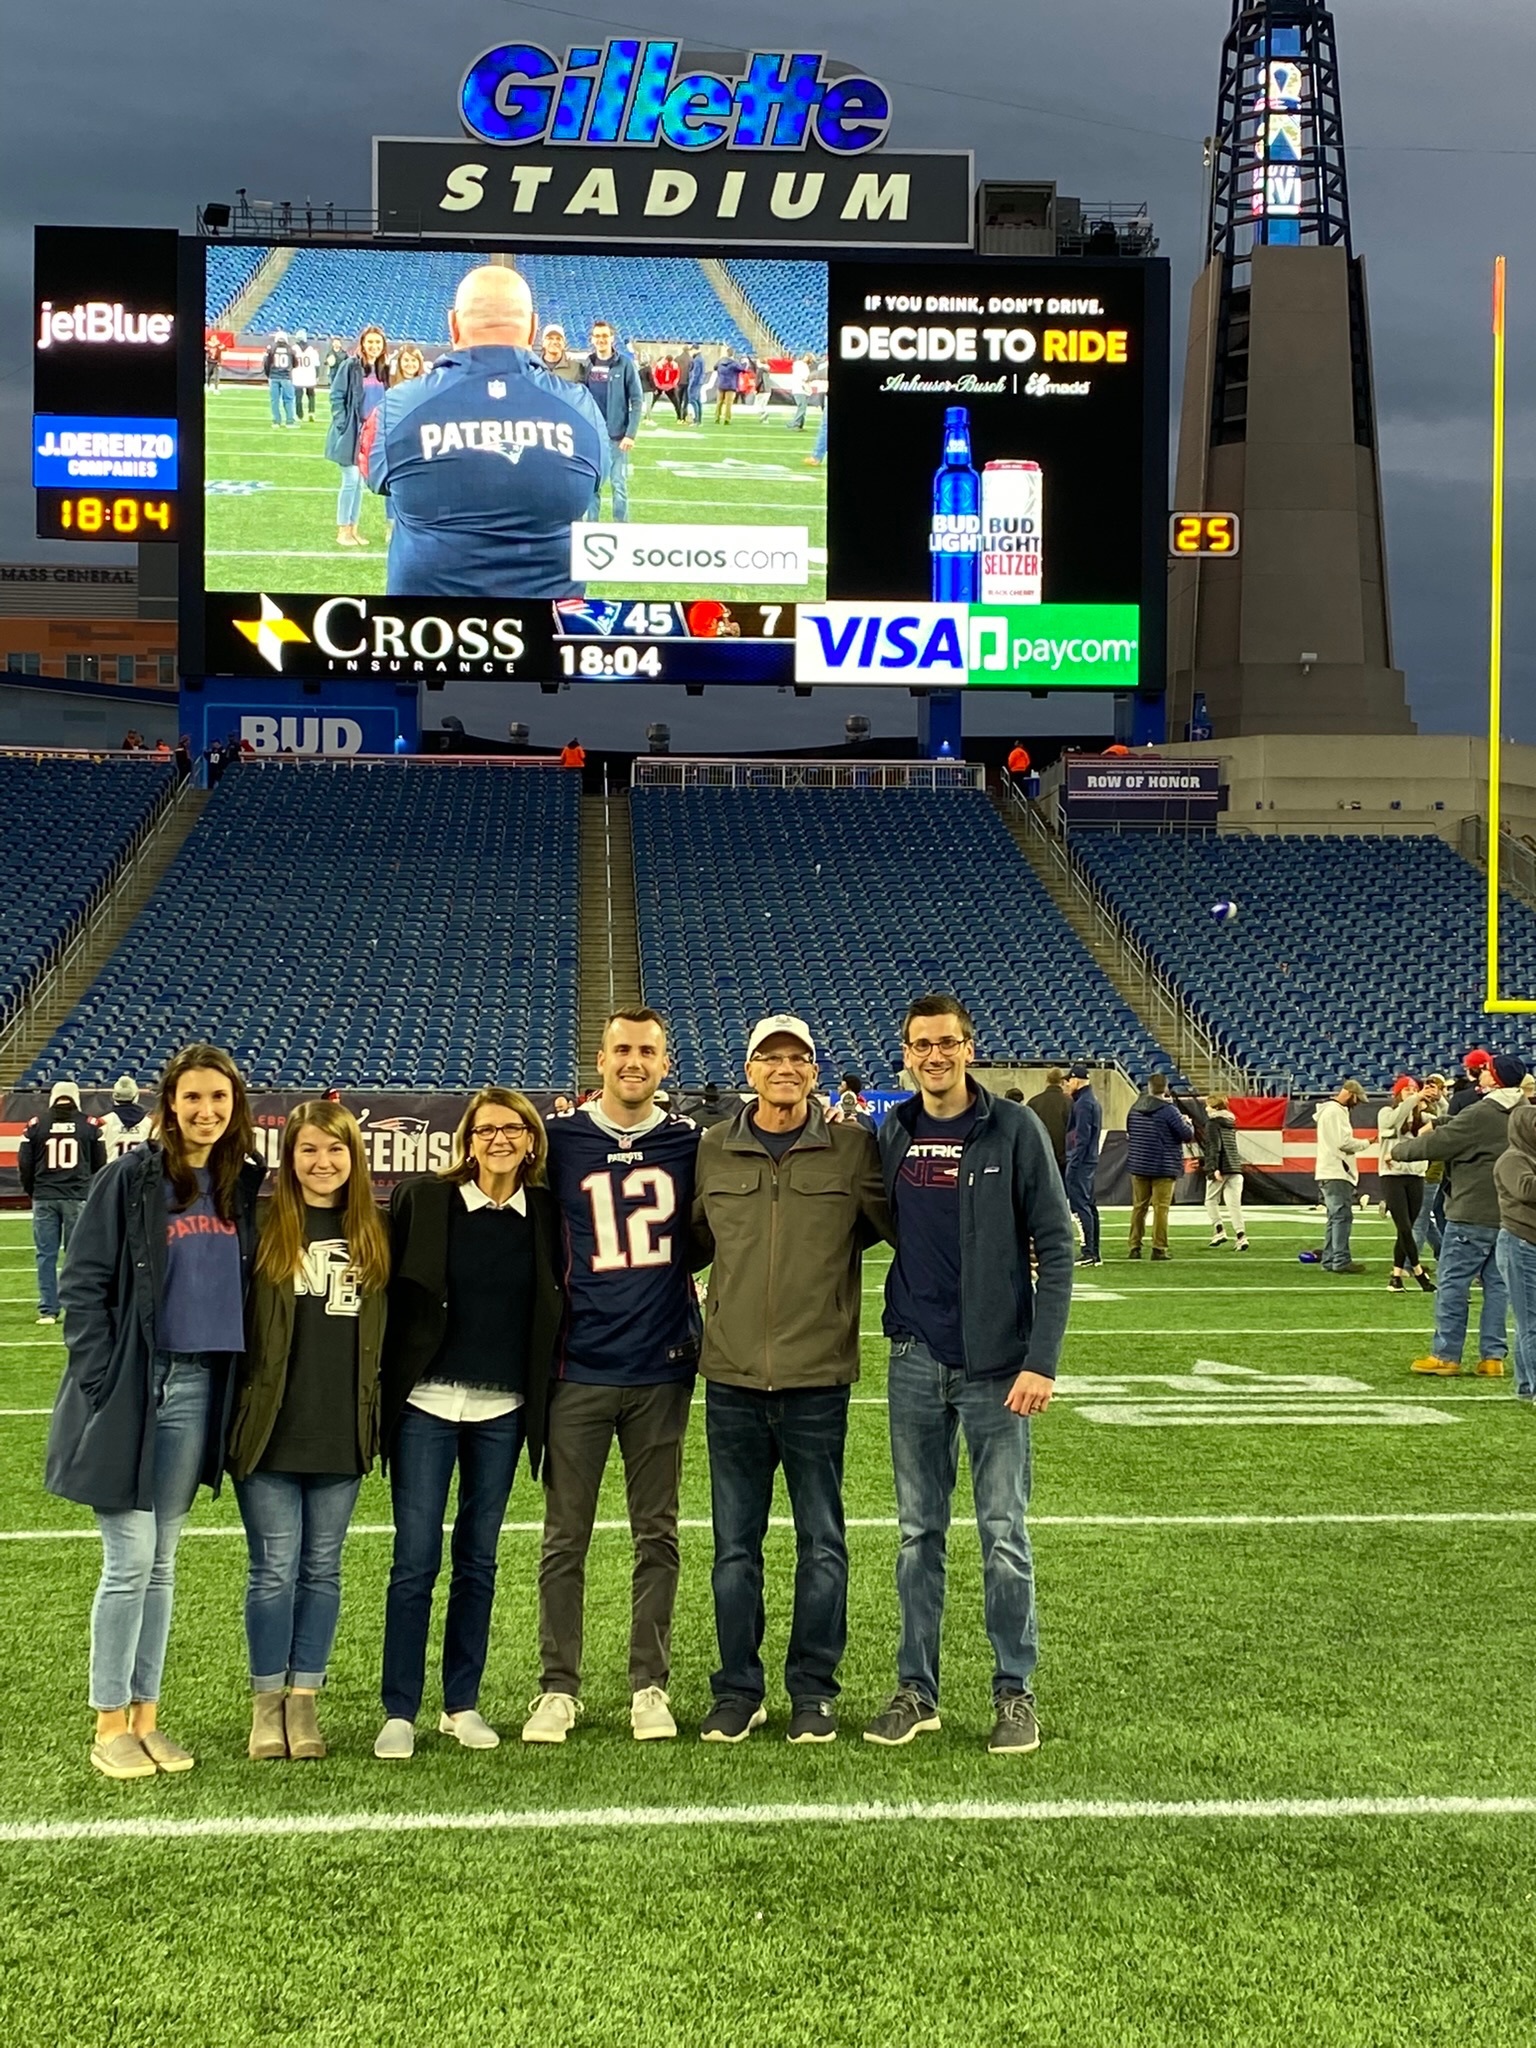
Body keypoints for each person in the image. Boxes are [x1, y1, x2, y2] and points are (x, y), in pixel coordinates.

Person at [44, 1044, 263, 1779]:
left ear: (235, 1107)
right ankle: (109, 1723)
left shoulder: (240, 1184)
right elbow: (82, 1285)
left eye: (219, 1098)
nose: (206, 1111)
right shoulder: (128, 1178)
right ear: (169, 1104)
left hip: (200, 1387)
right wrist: (103, 1382)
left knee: (163, 1563)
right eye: (192, 1097)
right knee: (130, 1560)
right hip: (137, 1387)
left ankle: (146, 1719)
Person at [865, 994, 1073, 1756]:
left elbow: (1056, 1245)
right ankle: (916, 1690)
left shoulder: (1013, 1128)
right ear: (906, 1054)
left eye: (946, 1042)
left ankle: (1014, 1691)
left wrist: (1040, 1360)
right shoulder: (894, 1131)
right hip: (914, 1358)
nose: (935, 1055)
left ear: (969, 1047)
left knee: (1003, 1535)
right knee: (917, 1534)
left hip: (997, 1368)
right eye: (921, 1044)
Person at [690, 1014, 891, 1743]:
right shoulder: (712, 1147)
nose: (783, 1068)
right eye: (769, 1057)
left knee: (823, 1544)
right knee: (733, 1549)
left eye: (796, 1057)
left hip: (817, 1378)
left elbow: (899, 1228)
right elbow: (690, 1242)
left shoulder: (852, 1149)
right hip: (732, 1377)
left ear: (814, 1070)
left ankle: (813, 1688)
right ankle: (738, 1689)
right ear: (749, 1071)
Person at [524, 1011, 702, 1746]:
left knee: (656, 1534)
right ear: (599, 1059)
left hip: (661, 1366)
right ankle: (557, 1687)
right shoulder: (558, 1141)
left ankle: (648, 1684)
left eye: (647, 1052)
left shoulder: (691, 1142)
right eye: (622, 1050)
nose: (634, 1062)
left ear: (666, 1063)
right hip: (579, 1366)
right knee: (564, 1539)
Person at [374, 1088, 562, 1759]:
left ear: (531, 1139)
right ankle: (399, 1709)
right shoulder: (425, 1200)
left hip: (502, 1411)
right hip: (425, 1403)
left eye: (513, 1129)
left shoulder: (545, 1212)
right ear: (468, 1140)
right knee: (414, 1560)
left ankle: (461, 1703)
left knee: (477, 1562)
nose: (499, 1140)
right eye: (486, 1130)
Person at [228, 1102, 390, 1762]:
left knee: (322, 1570)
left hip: (341, 1426)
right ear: (289, 1158)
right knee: (273, 1571)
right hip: (271, 1426)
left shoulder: (377, 1230)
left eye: (336, 1150)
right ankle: (267, 1704)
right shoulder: (263, 1223)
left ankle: (304, 1701)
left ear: (355, 1157)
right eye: (309, 1150)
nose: (323, 1162)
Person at [361, 268, 607, 599]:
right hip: (551, 623)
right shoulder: (582, 409)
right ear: (533, 328)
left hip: (429, 624)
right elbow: (596, 479)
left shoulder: (397, 407)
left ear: (453, 324)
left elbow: (374, 476)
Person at [1391, 1054, 1524, 1377]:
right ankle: (1493, 1357)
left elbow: (1440, 1144)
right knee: (1498, 1287)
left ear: (1495, 1079)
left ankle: (1446, 1354)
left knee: (1454, 1283)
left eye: (1488, 1071)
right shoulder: (1524, 1112)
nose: (1483, 1074)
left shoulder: (1481, 1112)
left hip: (1471, 1213)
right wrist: (1442, 1121)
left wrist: (1398, 1150)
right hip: (1511, 1215)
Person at [20, 1080, 105, 1325]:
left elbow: (25, 1164)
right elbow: (100, 1164)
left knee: (46, 1255)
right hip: (76, 1196)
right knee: (77, 1256)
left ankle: (48, 1310)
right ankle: (78, 1308)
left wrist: (33, 1191)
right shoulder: (90, 1125)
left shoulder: (36, 1125)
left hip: (44, 1196)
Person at [325, 323, 389, 549]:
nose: (374, 346)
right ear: (362, 343)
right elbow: (336, 395)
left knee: (359, 483)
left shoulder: (382, 369)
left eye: (378, 342)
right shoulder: (350, 366)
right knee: (351, 479)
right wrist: (343, 424)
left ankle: (353, 529)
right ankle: (343, 529)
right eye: (370, 342)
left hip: (371, 435)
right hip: (351, 432)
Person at [578, 318, 643, 523]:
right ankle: (591, 526)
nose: (601, 340)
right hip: (592, 435)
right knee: (592, 486)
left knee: (618, 484)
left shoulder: (625, 364)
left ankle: (620, 526)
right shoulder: (587, 364)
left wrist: (630, 434)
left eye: (605, 336)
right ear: (592, 339)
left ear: (612, 338)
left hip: (617, 436)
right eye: (597, 336)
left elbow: (637, 400)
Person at [1493, 1099, 1536, 1403]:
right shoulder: (1512, 1159)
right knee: (1531, 1322)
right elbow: (1526, 1189)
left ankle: (1525, 1386)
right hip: (1520, 1245)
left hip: (1528, 1244)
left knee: (1529, 1321)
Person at [1125, 1074, 1194, 1260]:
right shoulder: (1169, 1110)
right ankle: (1158, 1247)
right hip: (1164, 1165)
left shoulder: (1134, 1109)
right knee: (1161, 1208)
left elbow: (1130, 1131)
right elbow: (1186, 1135)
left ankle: (1134, 1246)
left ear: (1148, 1087)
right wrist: (1188, 1123)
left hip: (1139, 1164)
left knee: (1139, 1207)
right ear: (1165, 1088)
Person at [1377, 1077, 1435, 1293]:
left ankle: (1395, 1277)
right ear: (1398, 1093)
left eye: (1414, 1089)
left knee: (1407, 1228)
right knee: (1403, 1226)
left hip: (1416, 1175)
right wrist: (1414, 1099)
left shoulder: (1423, 1116)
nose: (1411, 1092)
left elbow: (1442, 1120)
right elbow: (1393, 1121)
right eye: (1407, 1089)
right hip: (1392, 1175)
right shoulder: (1386, 1112)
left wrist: (1437, 1098)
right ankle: (1419, 1273)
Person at [1310, 1079, 1368, 1274]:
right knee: (1342, 1217)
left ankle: (1330, 1259)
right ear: (1350, 1094)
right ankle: (1341, 1260)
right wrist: (1366, 1143)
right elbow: (1344, 1143)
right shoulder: (1336, 1112)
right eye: (1357, 1099)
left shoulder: (1328, 1111)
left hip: (1328, 1170)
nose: (1357, 1104)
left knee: (1335, 1217)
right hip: (1337, 1171)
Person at [1064, 1064, 1102, 1266]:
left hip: (1081, 1160)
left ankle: (1088, 1252)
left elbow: (1081, 1137)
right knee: (1089, 1204)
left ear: (1076, 1080)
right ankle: (1094, 1252)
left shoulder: (1083, 1104)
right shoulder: (1089, 1101)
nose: (1067, 1084)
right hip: (1088, 1159)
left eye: (1069, 1080)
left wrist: (1074, 1163)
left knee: (1080, 1205)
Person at [1199, 1095, 1248, 1252]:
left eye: (1208, 1105)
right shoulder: (1230, 1122)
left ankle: (1219, 1229)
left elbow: (1214, 1147)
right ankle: (1241, 1236)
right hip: (1235, 1167)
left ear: (1215, 1107)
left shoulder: (1212, 1123)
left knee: (1210, 1201)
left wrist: (1213, 1168)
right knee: (1234, 1205)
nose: (1206, 1108)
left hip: (1221, 1167)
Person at [1025, 1068, 1070, 1178]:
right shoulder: (1070, 1102)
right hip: (1064, 1157)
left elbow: (1028, 1131)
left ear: (1047, 1080)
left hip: (1040, 1156)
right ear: (1062, 1082)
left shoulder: (1034, 1102)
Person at [100, 1076, 152, 1162]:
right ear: (136, 1096)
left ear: (114, 1096)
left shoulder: (104, 1121)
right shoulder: (148, 1123)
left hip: (113, 1168)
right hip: (140, 1168)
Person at [263, 330, 298, 429]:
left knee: (274, 400)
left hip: (274, 376)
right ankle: (290, 421)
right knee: (289, 400)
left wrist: (269, 374)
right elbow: (295, 363)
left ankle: (276, 421)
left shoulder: (271, 348)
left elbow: (266, 363)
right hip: (286, 377)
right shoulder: (290, 349)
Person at [291, 331, 319, 422]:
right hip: (309, 375)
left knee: (298, 396)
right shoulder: (312, 350)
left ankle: (299, 415)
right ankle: (311, 412)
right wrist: (317, 376)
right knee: (311, 395)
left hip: (298, 375)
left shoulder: (293, 349)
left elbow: (291, 364)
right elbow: (316, 365)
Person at [713, 349, 741, 425]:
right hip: (731, 385)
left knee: (719, 402)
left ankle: (716, 418)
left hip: (721, 384)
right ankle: (727, 419)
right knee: (728, 403)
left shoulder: (720, 361)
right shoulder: (734, 363)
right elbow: (742, 369)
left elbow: (714, 367)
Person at [786, 355, 813, 430]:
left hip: (801, 389)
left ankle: (799, 424)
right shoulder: (800, 365)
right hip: (799, 389)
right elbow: (804, 378)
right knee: (802, 407)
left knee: (802, 408)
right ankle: (795, 424)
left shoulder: (800, 365)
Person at [651, 352, 682, 419]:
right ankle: (647, 417)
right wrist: (658, 385)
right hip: (660, 386)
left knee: (676, 402)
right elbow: (655, 376)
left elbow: (677, 376)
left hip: (669, 386)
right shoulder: (659, 365)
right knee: (652, 401)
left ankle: (680, 417)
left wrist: (673, 385)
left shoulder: (674, 365)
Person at [685, 345, 706, 425]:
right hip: (699, 382)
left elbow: (695, 374)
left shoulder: (697, 359)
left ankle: (696, 420)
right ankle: (698, 420)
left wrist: (691, 384)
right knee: (697, 401)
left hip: (695, 383)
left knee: (693, 400)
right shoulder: (700, 358)